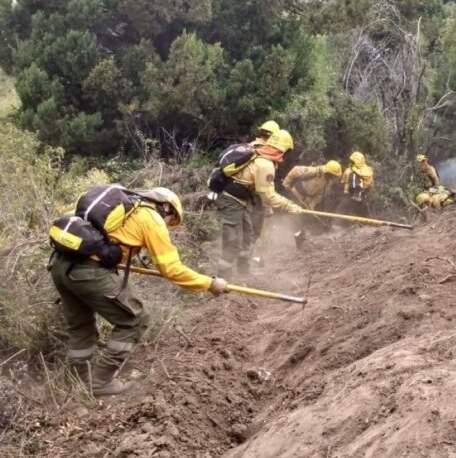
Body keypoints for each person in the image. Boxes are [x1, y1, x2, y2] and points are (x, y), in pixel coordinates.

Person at [49, 187, 230, 396]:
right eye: (172, 221)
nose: (169, 226)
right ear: (166, 208)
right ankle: (101, 383)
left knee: (80, 326)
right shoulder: (151, 218)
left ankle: (76, 384)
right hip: (87, 273)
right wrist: (209, 283)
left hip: (59, 266)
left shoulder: (116, 207)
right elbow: (171, 269)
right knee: (134, 319)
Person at [216, 129, 303, 278]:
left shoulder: (261, 155)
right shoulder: (265, 165)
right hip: (231, 201)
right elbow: (268, 197)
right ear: (283, 150)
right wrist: (290, 206)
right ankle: (223, 281)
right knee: (232, 241)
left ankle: (243, 274)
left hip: (241, 202)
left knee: (247, 237)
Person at [342, 151, 374, 217]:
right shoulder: (368, 170)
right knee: (361, 211)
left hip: (351, 192)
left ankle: (339, 224)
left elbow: (343, 181)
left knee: (344, 207)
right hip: (364, 193)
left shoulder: (350, 171)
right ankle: (363, 224)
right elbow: (371, 183)